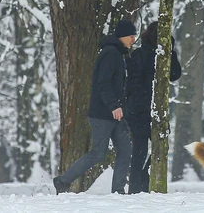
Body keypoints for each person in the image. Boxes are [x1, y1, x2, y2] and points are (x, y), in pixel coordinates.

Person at [53, 19, 136, 195]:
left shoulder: (118, 54)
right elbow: (103, 83)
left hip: (115, 114)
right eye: (131, 36)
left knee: (125, 149)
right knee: (99, 153)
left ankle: (118, 191)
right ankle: (62, 181)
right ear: (121, 36)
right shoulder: (110, 53)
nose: (133, 39)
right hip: (102, 115)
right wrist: (114, 106)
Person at [125, 21, 182, 194]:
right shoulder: (140, 55)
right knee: (141, 150)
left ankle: (143, 181)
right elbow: (133, 83)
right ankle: (136, 188)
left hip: (155, 110)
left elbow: (175, 75)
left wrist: (171, 52)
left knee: (159, 146)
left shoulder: (164, 54)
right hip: (140, 110)